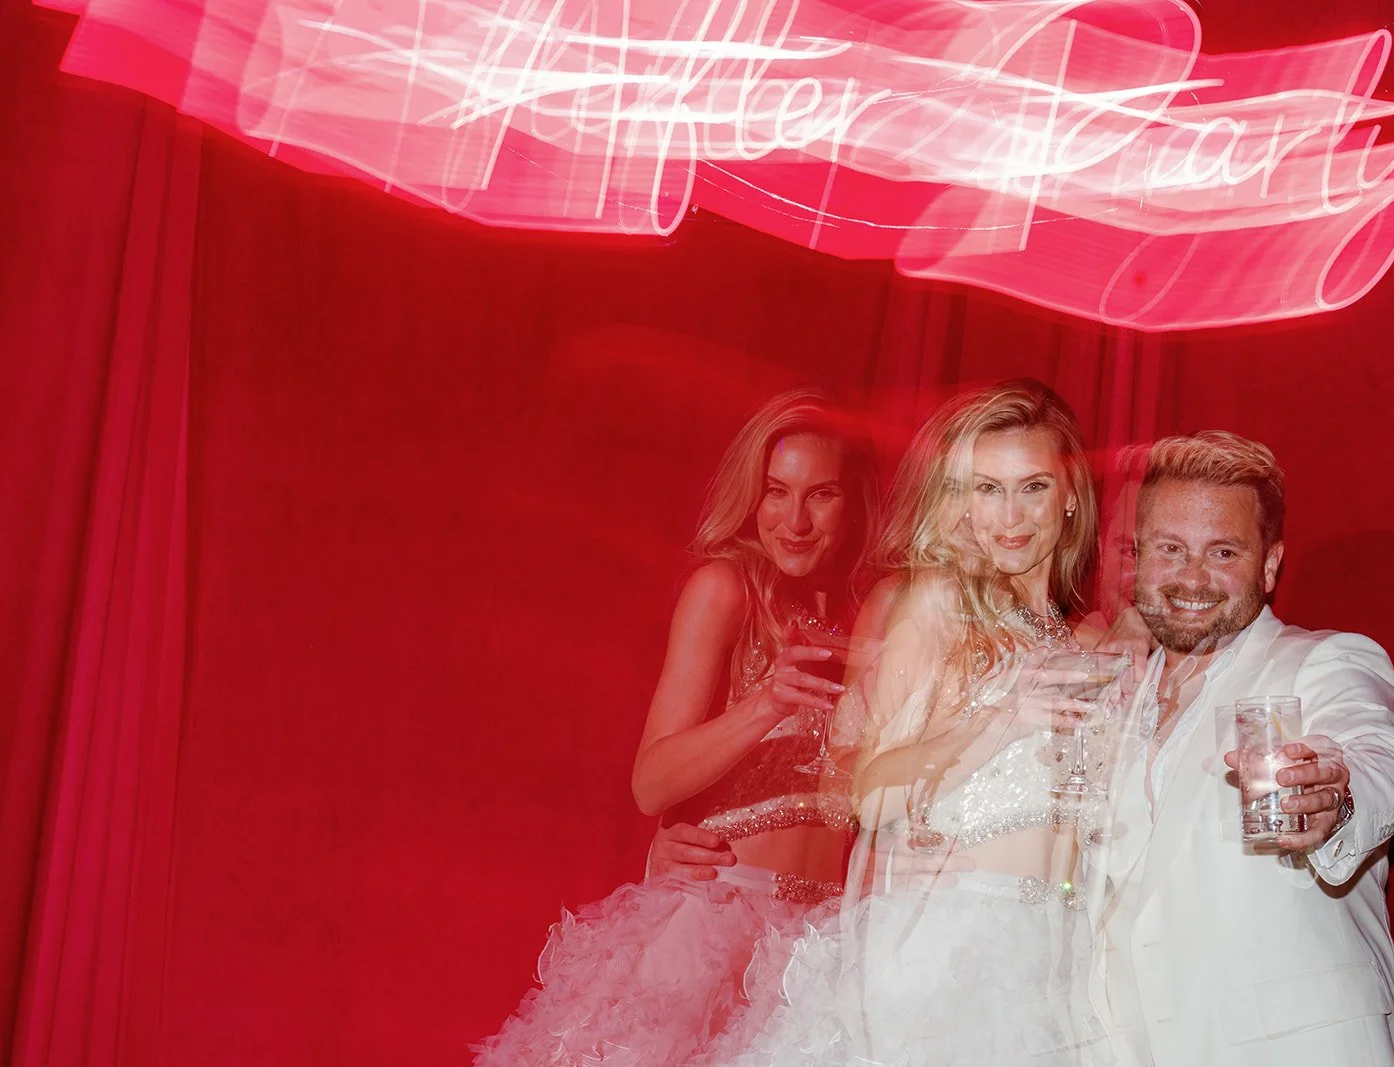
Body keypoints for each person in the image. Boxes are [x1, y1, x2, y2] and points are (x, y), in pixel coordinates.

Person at [702, 378, 1125, 1067]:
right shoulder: (932, 612)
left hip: (1058, 968)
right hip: (942, 960)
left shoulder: (1096, 647)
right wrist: (1001, 721)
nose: (1010, 515)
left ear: (1071, 495)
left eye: (1034, 487)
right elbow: (868, 794)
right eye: (986, 488)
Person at [474, 390, 880, 1067]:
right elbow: (652, 781)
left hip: (821, 946)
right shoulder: (727, 591)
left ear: (858, 501)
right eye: (777, 492)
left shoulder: (876, 616)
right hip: (721, 927)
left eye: (822, 494)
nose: (796, 520)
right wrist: (765, 703)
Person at [1094, 431, 1394, 1066]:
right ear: (1140, 555)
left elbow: (1386, 758)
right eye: (1170, 549)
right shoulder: (1114, 689)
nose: (1191, 578)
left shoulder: (1319, 662)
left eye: (1223, 551)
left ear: (1270, 564)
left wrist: (1338, 796)